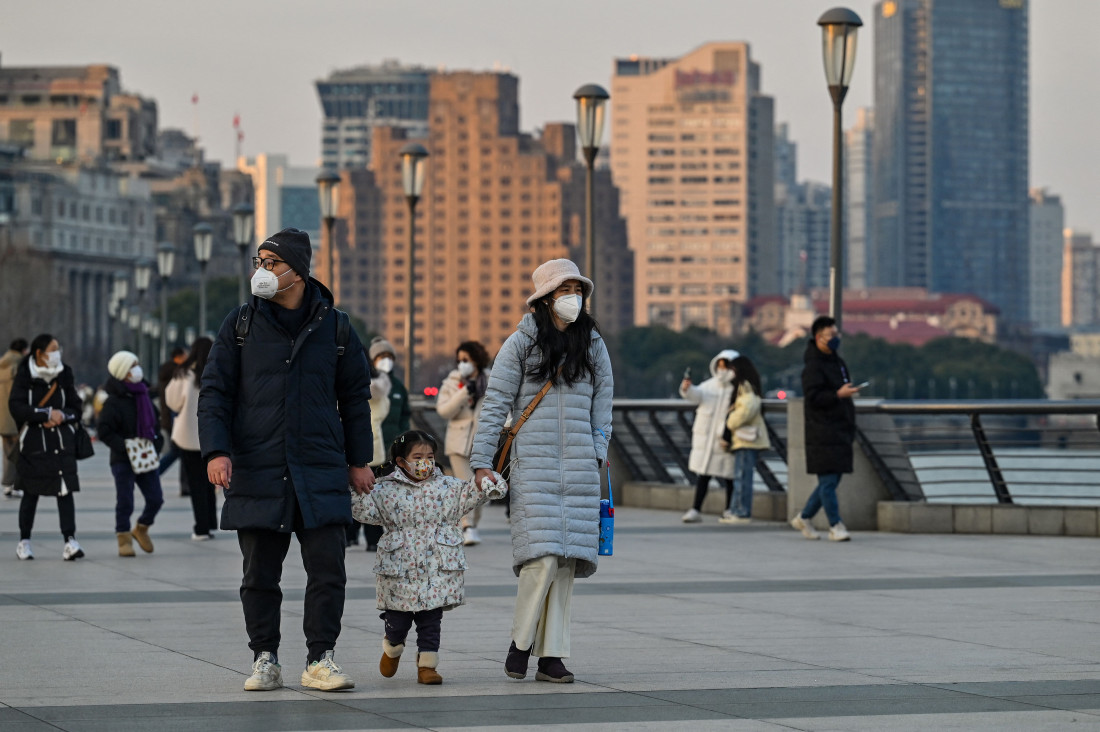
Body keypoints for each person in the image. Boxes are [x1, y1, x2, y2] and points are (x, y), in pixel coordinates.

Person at [198, 227, 375, 693]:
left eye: (272, 263)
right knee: (259, 574)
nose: (262, 271)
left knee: (327, 570)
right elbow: (214, 391)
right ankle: (265, 657)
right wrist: (216, 450)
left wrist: (360, 461)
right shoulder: (239, 325)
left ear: (298, 271)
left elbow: (356, 398)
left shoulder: (335, 327)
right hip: (258, 464)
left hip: (319, 466)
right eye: (259, 261)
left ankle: (320, 658)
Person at [471, 258, 614, 684]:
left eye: (577, 289)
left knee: (567, 563)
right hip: (533, 463)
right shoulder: (520, 343)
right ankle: (521, 642)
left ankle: (553, 656)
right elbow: (495, 402)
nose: (573, 297)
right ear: (545, 298)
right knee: (543, 557)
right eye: (564, 290)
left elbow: (604, 401)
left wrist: (597, 447)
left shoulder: (594, 345)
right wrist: (481, 462)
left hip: (580, 467)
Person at [350, 430, 507, 685]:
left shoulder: (448, 486)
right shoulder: (385, 488)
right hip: (399, 570)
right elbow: (364, 511)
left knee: (431, 621)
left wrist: (490, 484)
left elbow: (470, 494)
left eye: (430, 456)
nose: (425, 462)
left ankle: (427, 666)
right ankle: (392, 646)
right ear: (401, 461)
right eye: (418, 456)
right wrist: (353, 489)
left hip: (437, 569)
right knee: (398, 621)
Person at [8, 334, 84, 560]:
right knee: (30, 492)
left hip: (61, 443)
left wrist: (62, 416)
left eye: (58, 348)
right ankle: (24, 541)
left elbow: (76, 408)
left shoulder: (64, 373)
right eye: (53, 349)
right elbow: (17, 407)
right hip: (34, 444)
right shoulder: (25, 375)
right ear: (39, 353)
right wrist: (45, 414)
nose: (57, 353)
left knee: (65, 491)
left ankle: (70, 540)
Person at [790, 316, 859, 542]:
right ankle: (835, 525)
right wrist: (838, 394)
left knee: (831, 481)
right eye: (832, 335)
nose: (836, 339)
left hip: (840, 428)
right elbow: (813, 397)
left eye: (837, 334)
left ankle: (804, 516)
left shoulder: (838, 362)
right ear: (819, 338)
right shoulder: (813, 366)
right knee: (828, 482)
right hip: (822, 431)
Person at [97, 351, 165, 557]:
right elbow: (104, 432)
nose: (137, 370)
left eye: (137, 364)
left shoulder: (144, 396)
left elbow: (156, 426)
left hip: (145, 457)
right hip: (123, 458)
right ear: (122, 372)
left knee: (156, 498)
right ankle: (124, 538)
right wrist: (125, 446)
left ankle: (142, 528)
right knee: (125, 500)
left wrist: (157, 444)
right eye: (132, 366)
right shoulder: (113, 402)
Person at [436, 340, 491, 545]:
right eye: (459, 360)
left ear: (476, 360)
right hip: (458, 442)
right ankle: (467, 525)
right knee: (465, 487)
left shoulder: (490, 380)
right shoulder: (452, 381)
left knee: (482, 488)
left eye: (466, 360)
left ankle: (472, 524)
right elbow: (444, 410)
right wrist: (463, 392)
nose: (462, 364)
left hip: (482, 442)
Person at [164, 338, 219, 540]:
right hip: (211, 435)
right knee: (209, 482)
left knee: (195, 483)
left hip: (187, 436)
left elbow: (172, 401)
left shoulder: (184, 373)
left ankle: (201, 528)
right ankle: (212, 522)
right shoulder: (217, 370)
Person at [679, 349, 740, 523]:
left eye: (725, 366)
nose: (722, 370)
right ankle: (696, 509)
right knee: (704, 476)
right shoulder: (710, 385)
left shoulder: (737, 388)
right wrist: (687, 389)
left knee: (729, 476)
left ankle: (729, 509)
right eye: (719, 366)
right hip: (706, 440)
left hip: (724, 440)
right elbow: (695, 395)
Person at [718, 355, 771, 525]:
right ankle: (736, 510)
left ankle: (741, 512)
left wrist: (730, 420)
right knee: (742, 477)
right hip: (745, 440)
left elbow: (748, 408)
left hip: (746, 440)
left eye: (732, 370)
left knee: (742, 477)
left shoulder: (745, 387)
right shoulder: (749, 386)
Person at [157, 347, 189, 495]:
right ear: (178, 357)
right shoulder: (176, 373)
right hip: (175, 418)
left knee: (179, 452)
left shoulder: (167, 372)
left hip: (169, 418)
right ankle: (154, 474)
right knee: (178, 452)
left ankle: (185, 485)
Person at [1, 337, 29, 498]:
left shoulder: (2, 365)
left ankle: (7, 484)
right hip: (16, 416)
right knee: (20, 451)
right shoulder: (20, 365)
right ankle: (17, 484)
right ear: (23, 350)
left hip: (2, 418)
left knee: (7, 453)